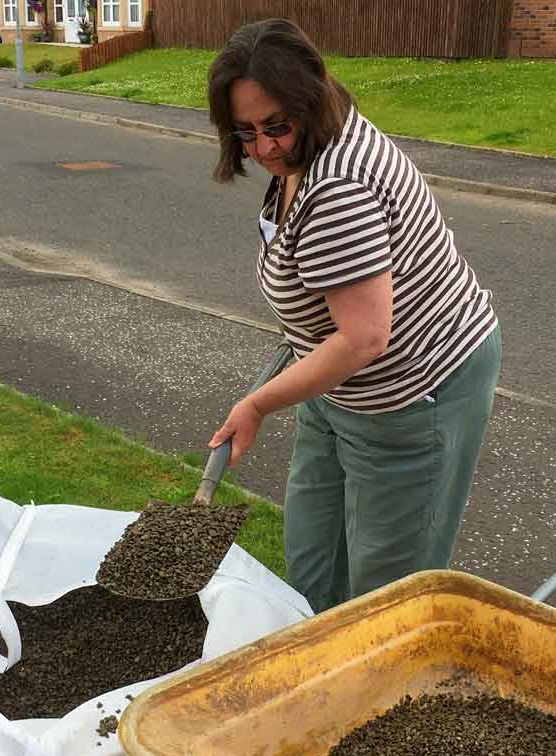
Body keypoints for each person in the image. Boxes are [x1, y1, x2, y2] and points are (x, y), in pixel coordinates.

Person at [205, 18, 502, 613]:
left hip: (412, 394)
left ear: (309, 102)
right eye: (245, 132)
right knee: (313, 562)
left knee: (385, 594)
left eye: (276, 127)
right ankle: (318, 657)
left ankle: (379, 692)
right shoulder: (301, 156)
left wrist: (259, 404)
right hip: (336, 383)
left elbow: (365, 337)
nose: (262, 148)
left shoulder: (338, 187)